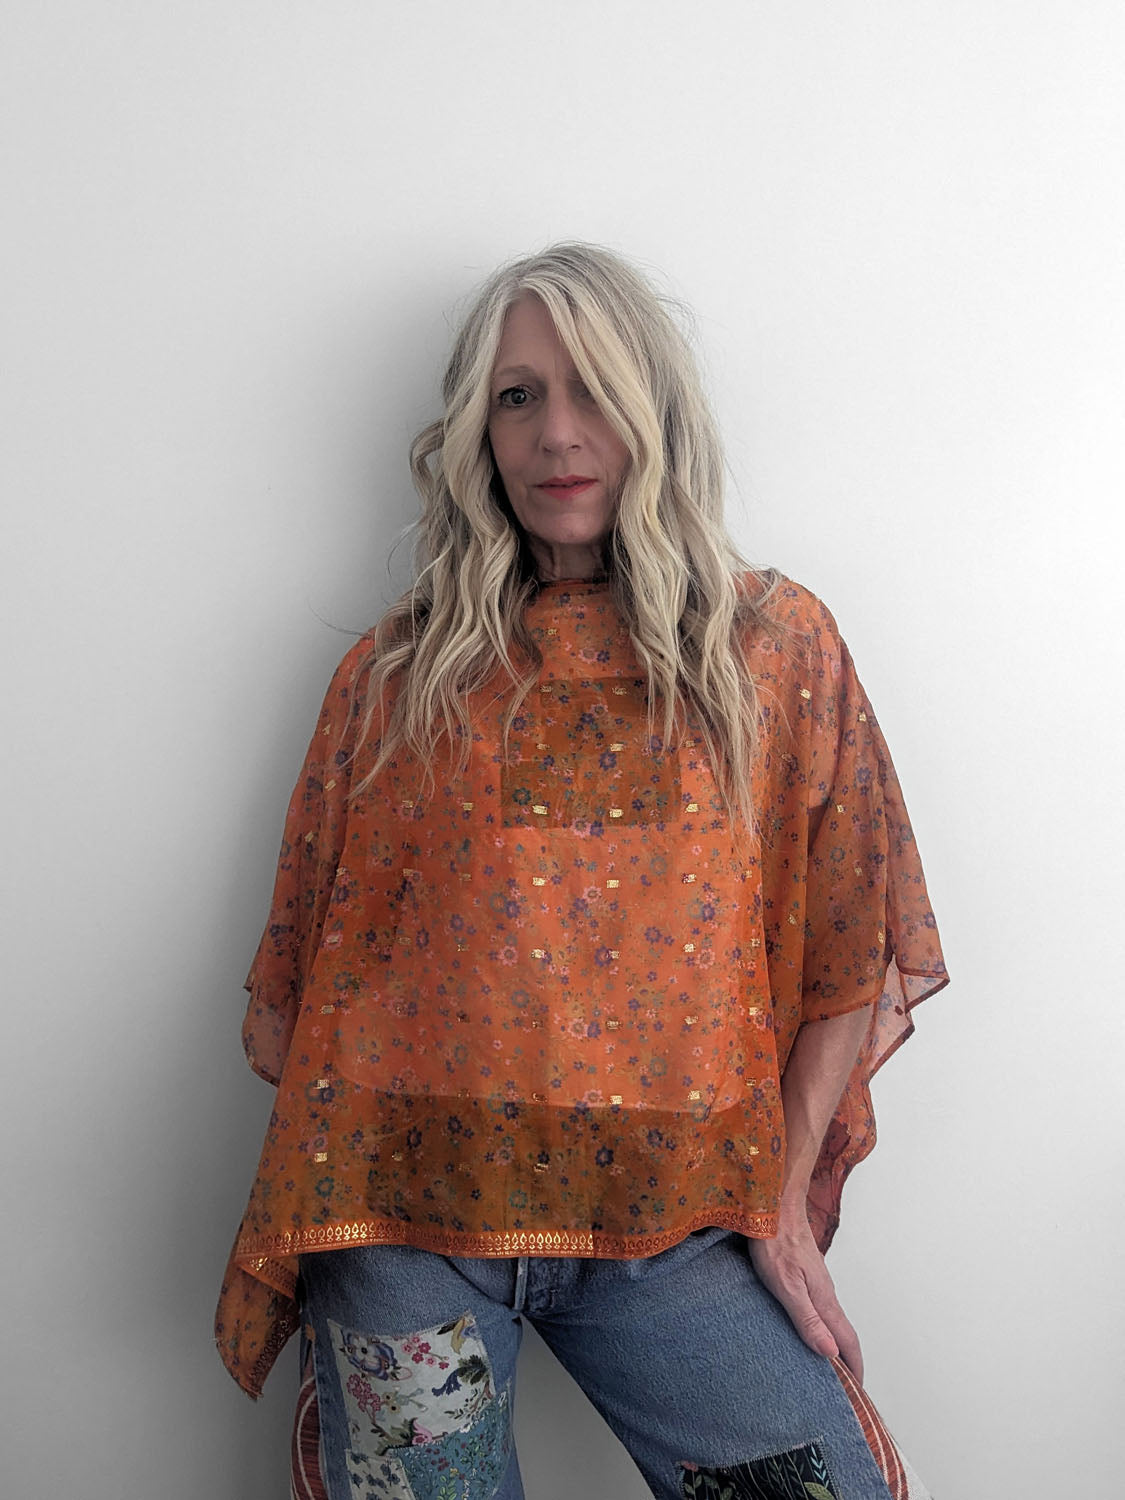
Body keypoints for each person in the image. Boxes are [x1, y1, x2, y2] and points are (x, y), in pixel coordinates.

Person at [215, 243, 948, 1500]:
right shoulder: (397, 680)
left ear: (656, 412)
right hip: (402, 1224)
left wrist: (772, 1204)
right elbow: (306, 999)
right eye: (517, 395)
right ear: (476, 434)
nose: (560, 432)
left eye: (595, 388)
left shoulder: (775, 653)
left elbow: (847, 950)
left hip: (674, 1225)